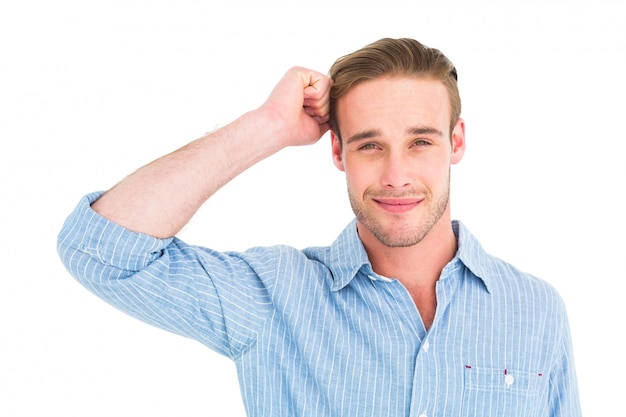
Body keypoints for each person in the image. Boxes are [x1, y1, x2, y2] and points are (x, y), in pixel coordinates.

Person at [57, 38, 581, 416]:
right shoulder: (274, 295)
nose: (396, 176)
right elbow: (100, 249)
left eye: (421, 141)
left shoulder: (534, 309)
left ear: (457, 143)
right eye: (369, 144)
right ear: (337, 151)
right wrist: (269, 127)